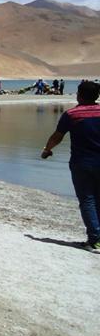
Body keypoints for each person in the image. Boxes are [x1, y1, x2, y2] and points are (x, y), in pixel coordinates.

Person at [41, 80, 100, 251]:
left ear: (79, 95)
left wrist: (47, 150)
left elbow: (57, 136)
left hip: (81, 163)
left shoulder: (72, 114)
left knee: (87, 200)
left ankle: (94, 239)